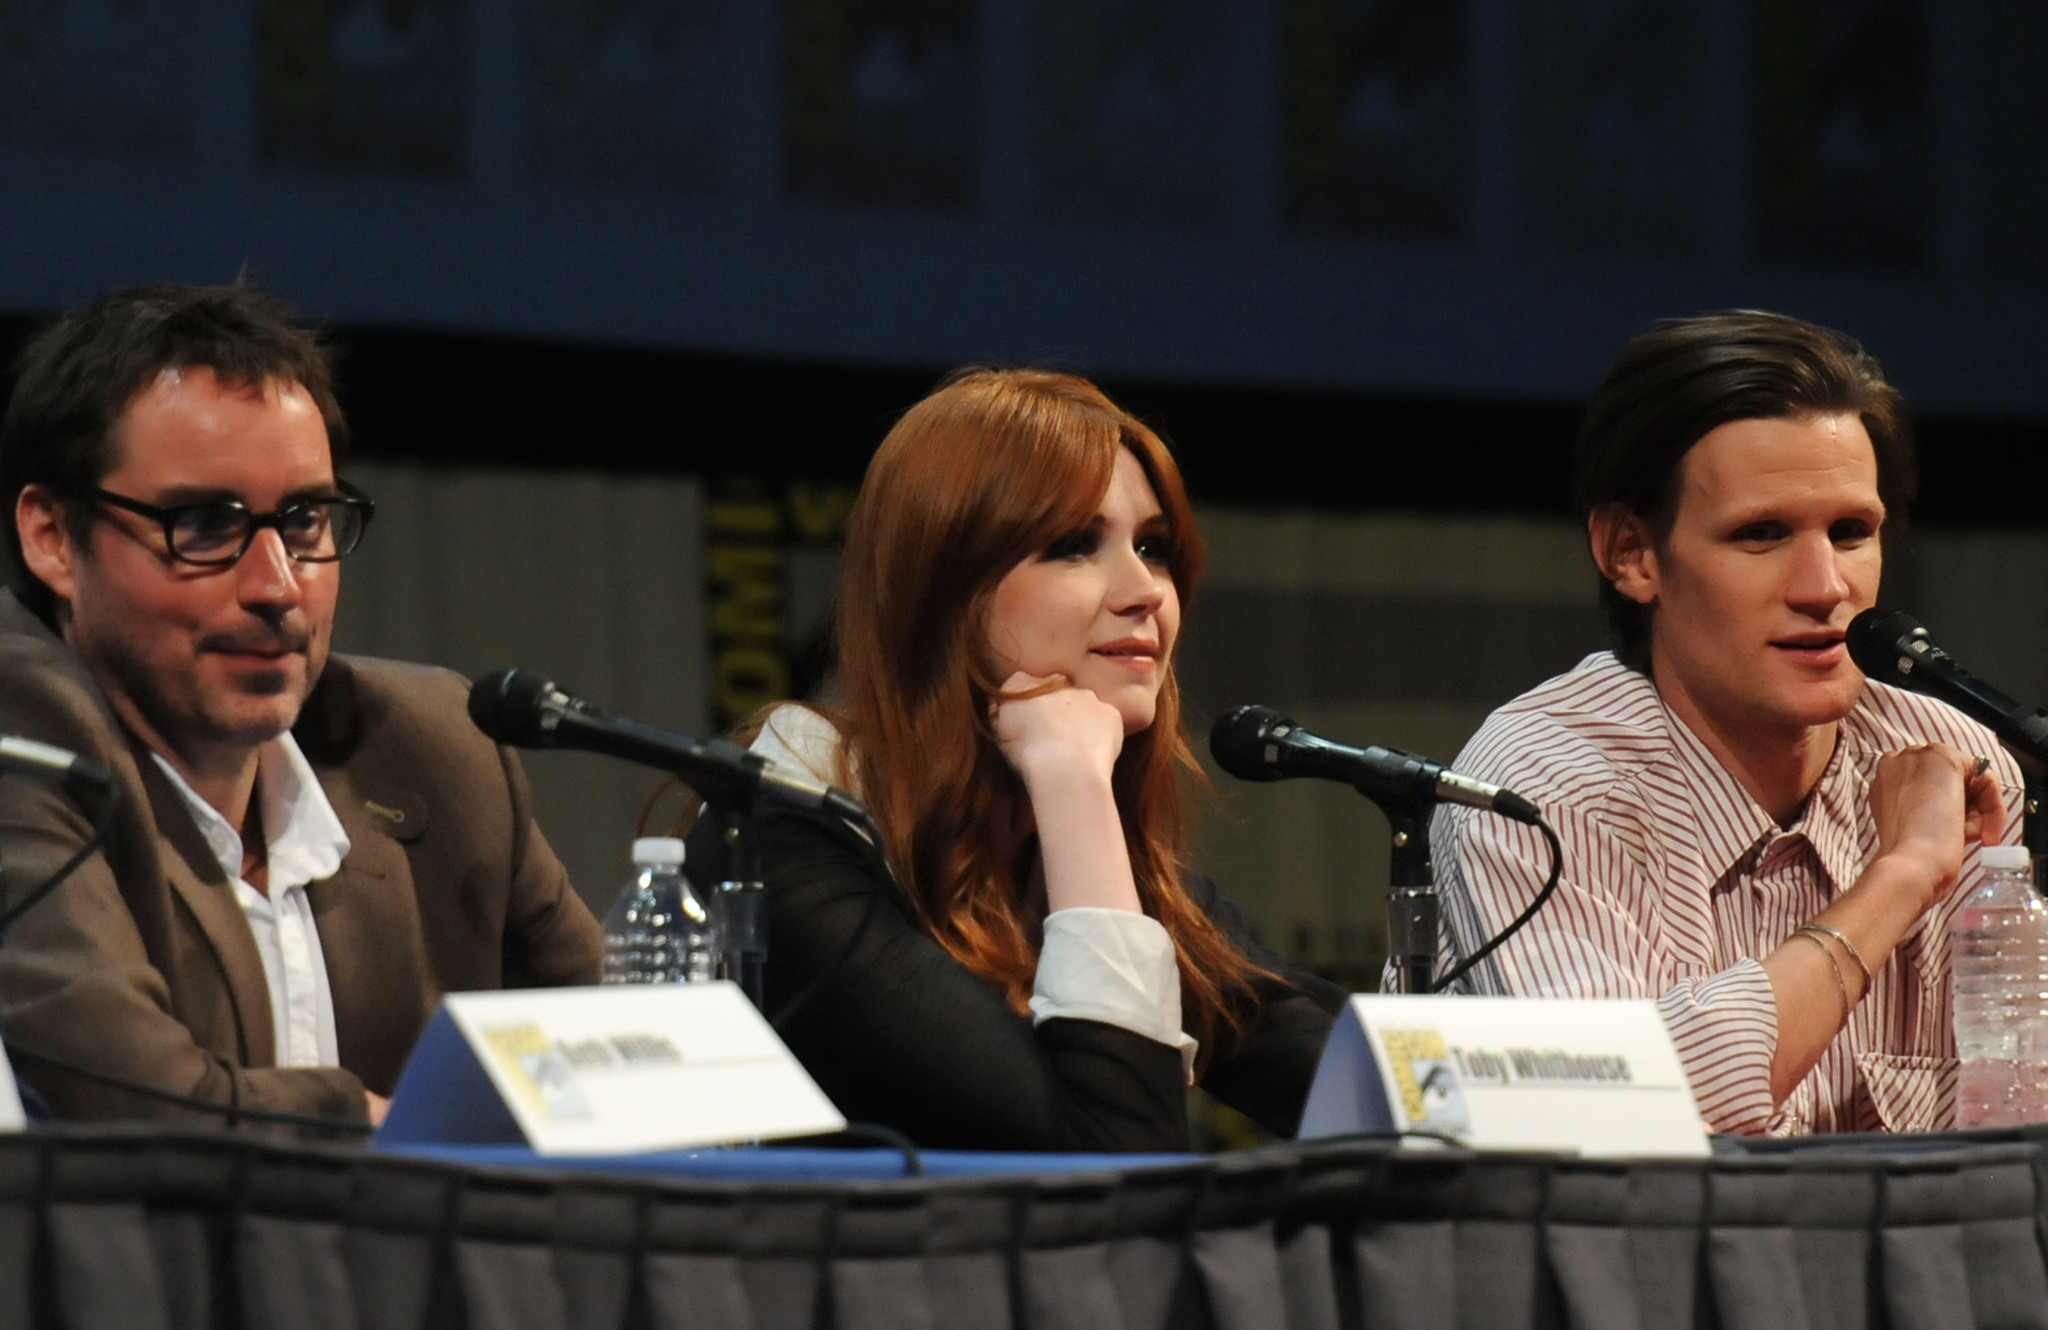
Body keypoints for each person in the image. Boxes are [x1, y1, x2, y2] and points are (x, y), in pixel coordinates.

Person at [0, 283, 602, 1129]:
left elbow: (622, 1066)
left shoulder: (439, 748)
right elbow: (135, 1102)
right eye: (205, 524)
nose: (278, 586)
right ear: (53, 538)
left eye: (306, 519)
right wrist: (407, 1131)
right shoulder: (18, 743)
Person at [712, 368, 1346, 1152]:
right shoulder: (784, 852)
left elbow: (1371, 1091)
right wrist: (1075, 786)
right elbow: (1114, 1167)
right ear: (943, 589)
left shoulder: (1072, 860)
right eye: (1074, 546)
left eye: (1152, 547)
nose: (1145, 589)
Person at [1434, 309, 2019, 1135]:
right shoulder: (1538, 786)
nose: (1824, 586)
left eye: (1851, 532)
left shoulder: (1951, 761)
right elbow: (1611, 1120)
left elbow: (2012, 1126)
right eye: (1762, 534)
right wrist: (1902, 874)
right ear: (1630, 553)